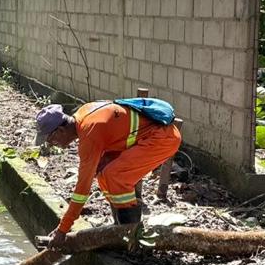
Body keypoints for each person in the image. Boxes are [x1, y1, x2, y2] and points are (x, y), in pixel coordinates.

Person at [36, 99, 182, 247]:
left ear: (61, 131)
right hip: (149, 137)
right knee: (103, 173)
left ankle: (132, 234)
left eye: (50, 140)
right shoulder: (83, 115)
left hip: (162, 139)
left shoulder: (89, 133)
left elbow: (82, 190)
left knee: (115, 176)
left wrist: (63, 229)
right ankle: (121, 228)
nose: (51, 144)